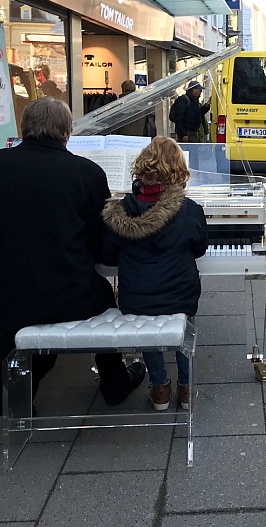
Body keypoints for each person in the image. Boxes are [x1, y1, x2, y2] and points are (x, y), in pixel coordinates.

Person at [0, 98, 146, 417]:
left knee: (16, 304)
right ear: (67, 134)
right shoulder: (87, 172)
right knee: (104, 296)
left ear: (24, 130)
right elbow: (100, 245)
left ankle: (14, 398)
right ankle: (115, 383)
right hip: (67, 295)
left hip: (7, 298)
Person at [102, 137, 208, 411]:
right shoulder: (190, 210)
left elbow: (108, 255)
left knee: (145, 317)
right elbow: (199, 249)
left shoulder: (120, 211)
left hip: (135, 299)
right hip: (180, 295)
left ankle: (160, 388)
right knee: (184, 319)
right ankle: (186, 389)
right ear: (178, 171)